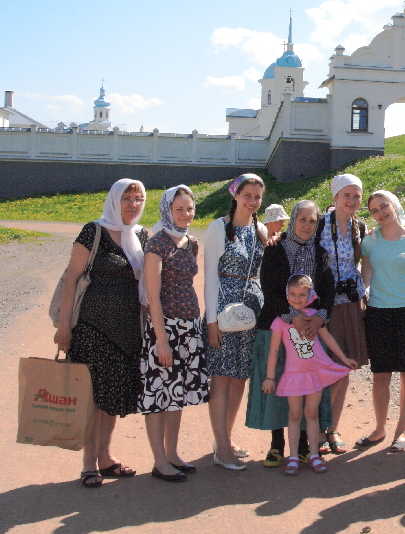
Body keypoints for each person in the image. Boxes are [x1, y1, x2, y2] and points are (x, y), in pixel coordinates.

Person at [54, 178, 148, 488]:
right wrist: (64, 327)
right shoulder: (93, 231)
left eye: (138, 198)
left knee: (113, 398)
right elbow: (72, 281)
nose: (133, 204)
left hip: (127, 332)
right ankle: (88, 463)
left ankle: (106, 458)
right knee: (93, 399)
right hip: (92, 329)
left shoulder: (141, 236)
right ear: (114, 200)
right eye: (127, 198)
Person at [247, 200, 335, 467]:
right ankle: (277, 444)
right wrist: (292, 315)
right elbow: (269, 289)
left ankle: (303, 446)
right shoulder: (275, 250)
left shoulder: (320, 253)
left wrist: (320, 317)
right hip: (276, 326)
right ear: (293, 220)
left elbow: (328, 290)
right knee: (278, 384)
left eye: (312, 221)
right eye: (302, 219)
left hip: (308, 332)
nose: (307, 225)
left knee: (306, 386)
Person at [139, 185, 208, 482]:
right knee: (158, 396)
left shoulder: (189, 242)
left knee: (176, 395)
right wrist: (162, 341)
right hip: (164, 330)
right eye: (178, 209)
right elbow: (153, 297)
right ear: (167, 210)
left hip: (189, 328)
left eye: (189, 208)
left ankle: (173, 453)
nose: (185, 213)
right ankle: (159, 461)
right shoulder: (157, 245)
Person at [357, 190, 405, 452]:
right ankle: (379, 429)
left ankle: (400, 431)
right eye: (374, 211)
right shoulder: (369, 243)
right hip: (378, 313)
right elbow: (364, 280)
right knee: (380, 375)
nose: (380, 213)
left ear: (393, 205)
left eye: (383, 206)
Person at [262, 274, 357, 475]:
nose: (297, 298)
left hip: (315, 373)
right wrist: (270, 378)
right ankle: (294, 457)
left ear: (309, 295)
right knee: (295, 415)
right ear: (287, 295)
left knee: (311, 414)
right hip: (294, 375)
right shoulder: (281, 321)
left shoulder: (314, 317)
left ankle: (314, 455)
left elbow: (328, 338)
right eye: (293, 294)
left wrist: (343, 358)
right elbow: (273, 351)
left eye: (302, 294)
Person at [203, 173, 267, 470]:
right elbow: (209, 276)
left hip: (251, 308)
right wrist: (211, 320)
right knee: (221, 376)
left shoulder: (261, 230)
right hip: (223, 308)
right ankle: (221, 448)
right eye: (247, 196)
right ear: (236, 196)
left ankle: (224, 440)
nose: (252, 201)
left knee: (240, 376)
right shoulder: (218, 227)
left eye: (257, 197)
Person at [317, 174, 370, 454]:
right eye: (346, 195)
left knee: (345, 367)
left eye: (356, 196)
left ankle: (332, 429)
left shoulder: (358, 226)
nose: (351, 201)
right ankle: (315, 428)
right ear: (335, 197)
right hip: (324, 305)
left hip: (350, 303)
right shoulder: (317, 223)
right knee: (328, 368)